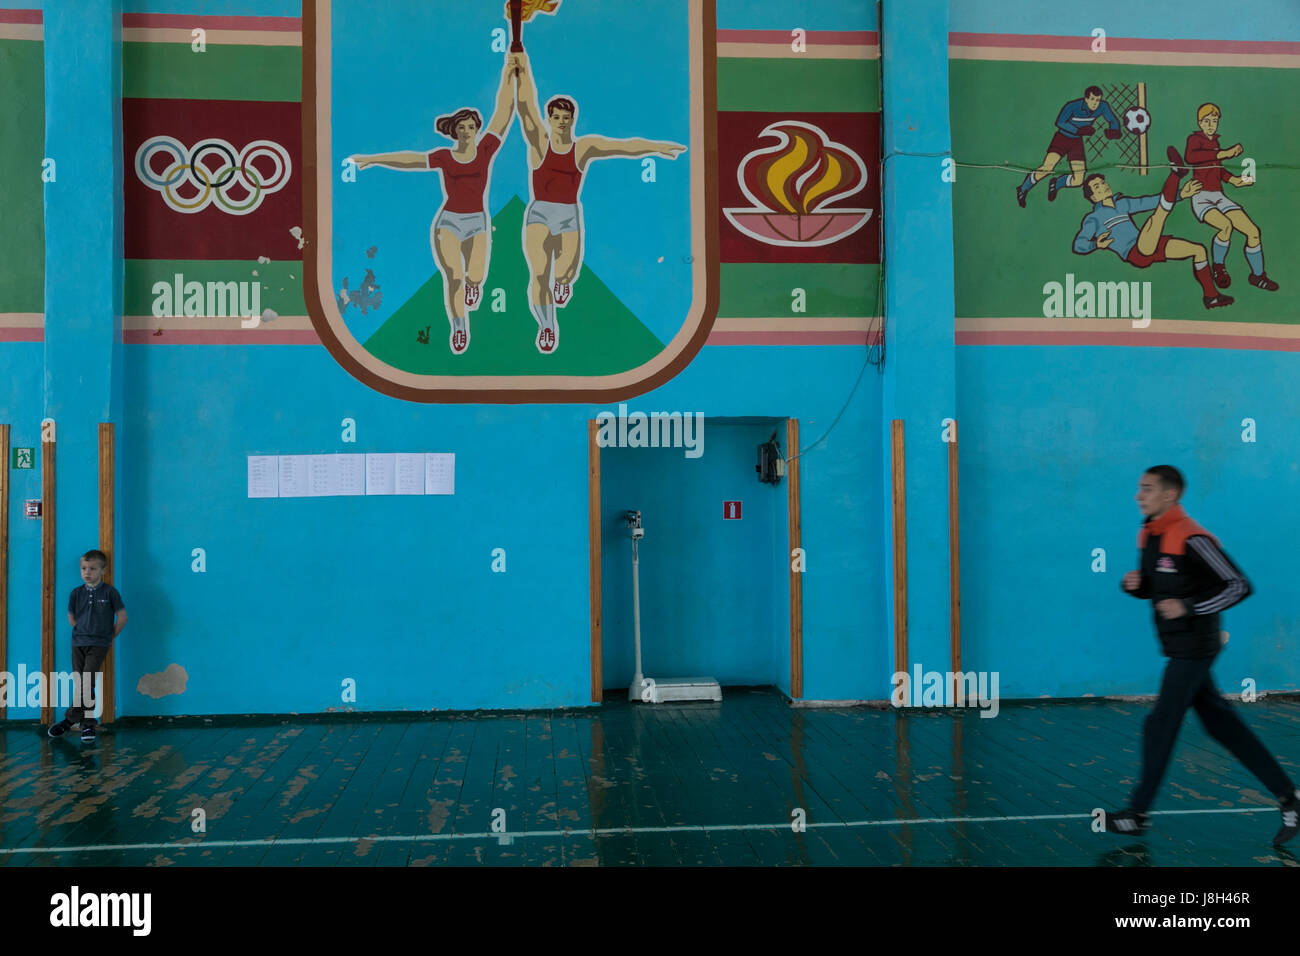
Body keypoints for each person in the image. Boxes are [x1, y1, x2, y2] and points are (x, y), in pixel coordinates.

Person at [1106, 466, 1299, 844]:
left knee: (1160, 723)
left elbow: (1239, 586)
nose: (1138, 495)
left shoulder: (1193, 537)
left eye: (1146, 489)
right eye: (1138, 488)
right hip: (1178, 646)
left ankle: (1137, 813)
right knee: (1222, 725)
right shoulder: (1149, 533)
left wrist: (1189, 608)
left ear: (1170, 495)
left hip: (1196, 648)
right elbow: (1161, 586)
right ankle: (1289, 798)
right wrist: (1137, 585)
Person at [512, 51, 685, 353]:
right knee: (538, 274)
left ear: (573, 120)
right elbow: (526, 107)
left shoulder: (584, 147)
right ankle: (547, 326)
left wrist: (656, 147)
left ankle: (564, 281)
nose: (562, 123)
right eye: (557, 118)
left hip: (568, 215)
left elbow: (623, 146)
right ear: (550, 120)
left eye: (567, 118)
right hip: (539, 212)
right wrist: (521, 69)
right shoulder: (540, 143)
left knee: (565, 271)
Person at [349, 54, 520, 355]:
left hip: (478, 222)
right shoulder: (443, 157)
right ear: (455, 132)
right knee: (453, 276)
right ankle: (459, 327)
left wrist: (509, 76)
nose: (468, 131)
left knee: (475, 275)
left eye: (472, 126)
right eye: (463, 127)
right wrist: (374, 159)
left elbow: (504, 113)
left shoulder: (486, 150)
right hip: (449, 223)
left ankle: (474, 285)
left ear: (478, 129)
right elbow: (410, 159)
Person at [1072, 147, 1233, 309]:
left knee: (1198, 250)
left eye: (1103, 182)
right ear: (1093, 197)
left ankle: (1211, 297)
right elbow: (1078, 244)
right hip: (1136, 252)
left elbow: (1150, 201)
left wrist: (1181, 195)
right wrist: (1096, 244)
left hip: (1151, 243)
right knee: (1157, 217)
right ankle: (1175, 174)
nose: (1103, 186)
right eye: (1097, 187)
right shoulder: (1093, 218)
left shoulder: (1122, 203)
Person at [1183, 103, 1277, 292]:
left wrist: (1235, 180)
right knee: (1225, 226)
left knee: (1253, 232)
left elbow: (1217, 169)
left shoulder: (1215, 142)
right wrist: (1224, 153)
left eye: (1214, 121)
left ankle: (1257, 276)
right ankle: (1218, 267)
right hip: (1201, 196)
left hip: (1219, 196)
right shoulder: (1194, 139)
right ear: (1199, 122)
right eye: (1207, 121)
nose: (1211, 125)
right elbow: (1191, 157)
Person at [47, 551, 127, 743]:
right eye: (84, 568)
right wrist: (82, 630)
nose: (87, 572)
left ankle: (69, 721)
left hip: (99, 644)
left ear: (103, 570)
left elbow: (122, 617)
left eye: (92, 569)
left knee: (86, 681)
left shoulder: (110, 592)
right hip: (78, 643)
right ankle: (87, 723)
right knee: (82, 684)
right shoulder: (76, 593)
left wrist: (109, 637)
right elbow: (71, 618)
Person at [1016, 85, 1123, 207]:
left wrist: (1114, 130)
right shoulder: (1073, 106)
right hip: (1062, 139)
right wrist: (1078, 131)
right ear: (1086, 99)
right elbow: (1060, 122)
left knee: (1078, 180)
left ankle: (1056, 184)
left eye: (1097, 100)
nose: (1095, 103)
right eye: (1092, 99)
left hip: (1076, 142)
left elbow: (1113, 120)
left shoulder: (1103, 106)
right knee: (1047, 167)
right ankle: (1023, 189)